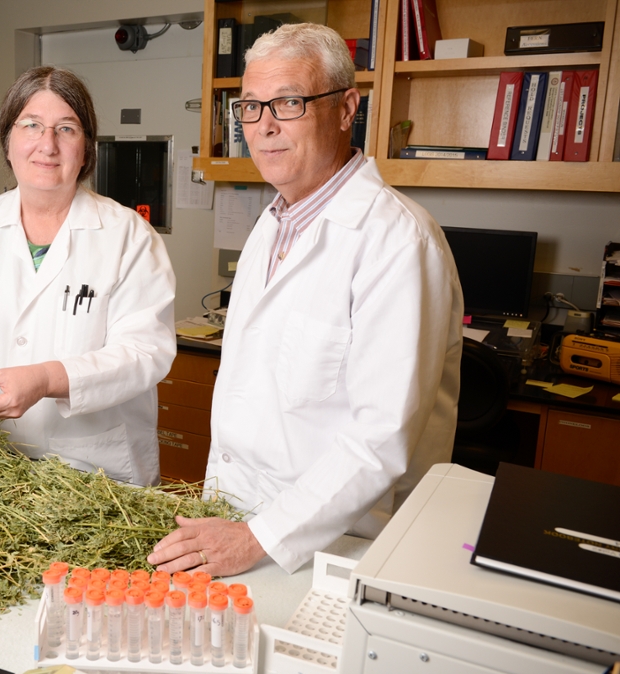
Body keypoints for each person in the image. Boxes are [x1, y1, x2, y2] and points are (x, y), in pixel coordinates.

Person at [148, 24, 464, 575]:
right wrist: (235, 529)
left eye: (289, 102)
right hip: (234, 527)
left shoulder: (398, 240)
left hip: (335, 551)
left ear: (346, 109)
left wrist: (257, 537)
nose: (264, 127)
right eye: (250, 107)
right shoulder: (273, 226)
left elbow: (379, 439)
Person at [0, 66, 176, 486]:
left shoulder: (128, 236)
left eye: (66, 129)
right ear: (8, 141)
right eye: (31, 125)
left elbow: (145, 352)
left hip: (92, 472)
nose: (47, 145)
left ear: (86, 149)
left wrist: (47, 379)